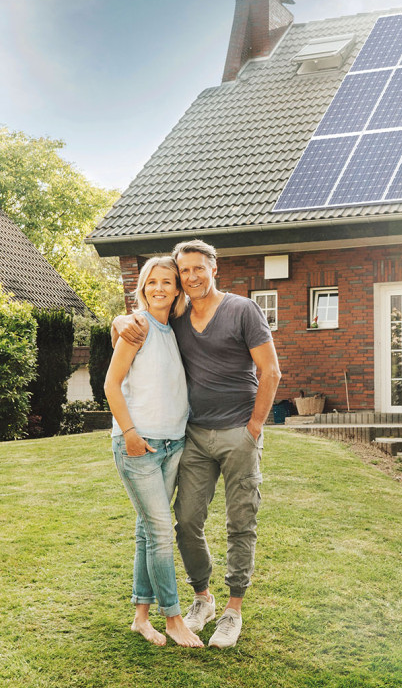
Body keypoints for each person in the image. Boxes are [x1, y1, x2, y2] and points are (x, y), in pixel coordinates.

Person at [113, 238, 281, 649]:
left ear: (213, 269)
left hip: (238, 433)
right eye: (183, 271)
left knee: (241, 523)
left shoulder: (242, 309)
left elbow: (271, 370)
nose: (191, 277)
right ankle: (202, 599)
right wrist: (118, 321)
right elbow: (140, 323)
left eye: (198, 269)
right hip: (193, 436)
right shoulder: (179, 317)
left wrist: (254, 427)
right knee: (185, 522)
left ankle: (233, 611)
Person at [104, 255, 203, 648]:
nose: (159, 288)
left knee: (148, 532)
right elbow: (112, 385)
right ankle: (174, 618)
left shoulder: (172, 329)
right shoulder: (137, 326)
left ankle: (140, 617)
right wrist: (128, 432)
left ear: (177, 289)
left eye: (167, 282)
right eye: (151, 282)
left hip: (172, 444)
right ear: (142, 288)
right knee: (162, 532)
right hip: (139, 445)